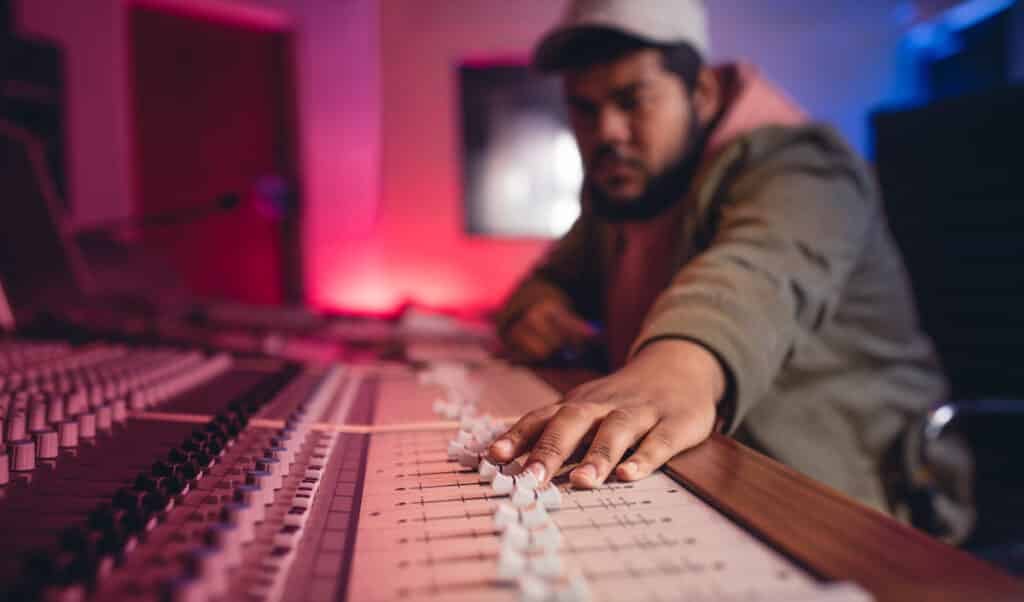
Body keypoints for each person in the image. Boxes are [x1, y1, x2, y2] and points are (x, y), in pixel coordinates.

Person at [488, 0, 948, 512]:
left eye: (631, 100)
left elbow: (757, 275)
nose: (607, 132)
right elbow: (548, 278)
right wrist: (536, 310)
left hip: (852, 495)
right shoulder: (622, 193)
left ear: (702, 93)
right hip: (710, 475)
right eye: (585, 108)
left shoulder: (802, 166)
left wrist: (679, 369)